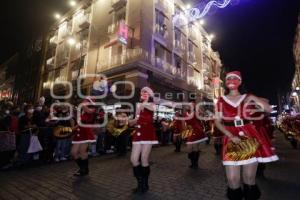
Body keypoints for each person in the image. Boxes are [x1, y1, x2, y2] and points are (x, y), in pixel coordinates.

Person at [214, 71, 279, 200]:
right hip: (231, 137)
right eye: (229, 78)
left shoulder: (247, 97)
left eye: (234, 78)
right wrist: (230, 135)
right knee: (232, 179)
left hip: (249, 135)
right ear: (226, 83)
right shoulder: (221, 100)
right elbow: (217, 121)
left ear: (240, 81)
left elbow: (268, 109)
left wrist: (254, 98)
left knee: (249, 178)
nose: (231, 80)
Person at [130, 87, 158, 194]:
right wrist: (128, 121)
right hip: (138, 132)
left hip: (148, 132)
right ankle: (140, 182)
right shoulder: (139, 105)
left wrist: (144, 103)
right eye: (142, 92)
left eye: (145, 92)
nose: (143, 93)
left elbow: (153, 109)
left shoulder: (151, 104)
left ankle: (144, 185)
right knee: (133, 159)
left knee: (144, 159)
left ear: (149, 94)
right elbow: (136, 119)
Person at [71, 97, 97, 176]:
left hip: (85, 132)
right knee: (73, 152)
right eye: (84, 100)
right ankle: (83, 168)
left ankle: (83, 170)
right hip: (79, 132)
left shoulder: (92, 109)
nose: (84, 101)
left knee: (82, 152)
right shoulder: (82, 110)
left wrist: (81, 105)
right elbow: (79, 123)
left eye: (86, 100)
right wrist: (73, 128)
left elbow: (88, 111)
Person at [184, 99, 208, 169]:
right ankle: (193, 162)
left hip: (197, 130)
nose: (190, 105)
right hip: (189, 131)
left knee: (194, 147)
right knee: (190, 149)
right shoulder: (185, 113)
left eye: (192, 104)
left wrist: (199, 109)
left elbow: (204, 114)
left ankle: (195, 163)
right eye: (189, 104)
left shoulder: (196, 112)